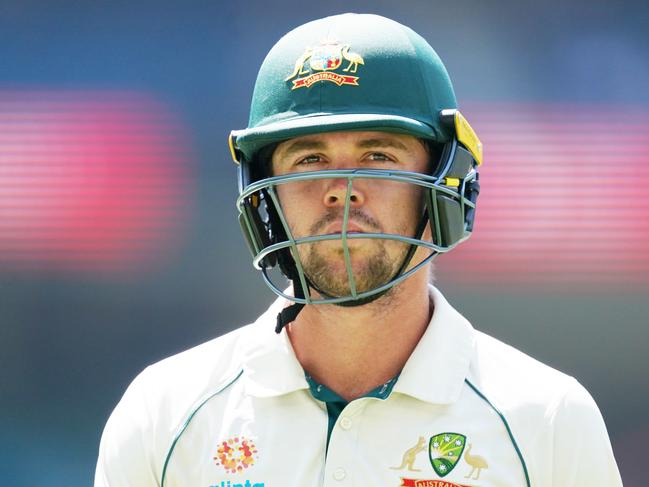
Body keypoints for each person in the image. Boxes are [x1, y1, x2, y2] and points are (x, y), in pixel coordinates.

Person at [95, 13, 622, 487]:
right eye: (308, 158)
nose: (342, 187)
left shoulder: (548, 420)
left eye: (378, 154)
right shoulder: (164, 414)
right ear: (266, 194)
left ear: (445, 183)